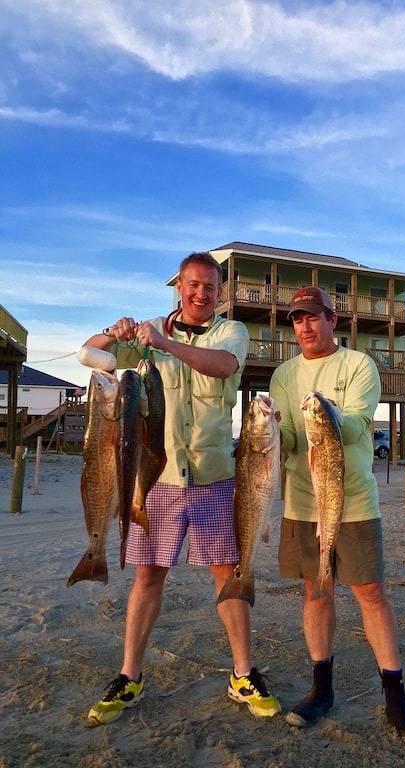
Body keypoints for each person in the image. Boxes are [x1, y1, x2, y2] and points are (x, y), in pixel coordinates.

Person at [82, 252, 280, 725]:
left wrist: (165, 345)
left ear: (219, 292)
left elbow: (223, 366)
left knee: (226, 573)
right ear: (179, 289)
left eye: (209, 287)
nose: (200, 294)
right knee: (148, 576)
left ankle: (243, 673)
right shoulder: (147, 330)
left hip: (215, 478)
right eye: (192, 285)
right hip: (159, 480)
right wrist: (115, 332)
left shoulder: (231, 332)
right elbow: (91, 356)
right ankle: (129, 675)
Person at [269, 286, 405, 746]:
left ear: (330, 321)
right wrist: (272, 433)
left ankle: (397, 700)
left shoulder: (358, 365)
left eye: (313, 317)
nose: (304, 326)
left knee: (371, 592)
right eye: (297, 320)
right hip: (302, 502)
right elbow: (288, 438)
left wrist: (327, 415)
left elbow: (359, 425)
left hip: (353, 499)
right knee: (315, 591)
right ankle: (321, 689)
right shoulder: (283, 374)